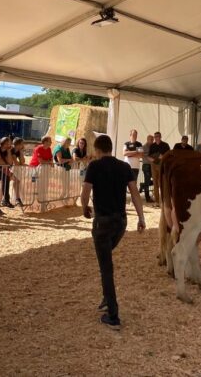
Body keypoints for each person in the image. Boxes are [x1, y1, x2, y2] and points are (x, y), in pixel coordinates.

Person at [80, 134, 146, 330]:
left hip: (102, 223)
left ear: (98, 149)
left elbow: (85, 192)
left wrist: (85, 208)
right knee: (107, 259)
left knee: (106, 268)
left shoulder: (94, 166)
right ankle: (107, 297)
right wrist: (141, 218)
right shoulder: (124, 167)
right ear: (111, 148)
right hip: (121, 223)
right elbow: (135, 193)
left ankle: (113, 315)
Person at [147, 132, 170, 207]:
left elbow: (169, 155)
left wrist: (162, 156)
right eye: (155, 136)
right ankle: (157, 201)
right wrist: (152, 159)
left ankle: (164, 201)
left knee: (162, 183)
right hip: (154, 165)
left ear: (160, 137)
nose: (157, 137)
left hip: (162, 165)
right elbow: (148, 156)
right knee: (155, 184)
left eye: (158, 136)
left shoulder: (165, 145)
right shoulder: (152, 146)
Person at [7, 137, 26, 207]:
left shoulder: (17, 151)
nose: (23, 145)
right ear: (18, 144)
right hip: (7, 168)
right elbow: (17, 163)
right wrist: (21, 163)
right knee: (5, 185)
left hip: (11, 169)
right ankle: (15, 199)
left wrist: (21, 151)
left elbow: (22, 161)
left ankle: (17, 198)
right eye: (22, 144)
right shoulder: (12, 150)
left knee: (16, 182)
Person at [139, 134, 154, 203]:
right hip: (146, 166)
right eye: (151, 139)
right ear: (147, 139)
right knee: (147, 182)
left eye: (152, 139)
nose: (152, 141)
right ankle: (147, 198)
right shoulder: (143, 146)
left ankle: (142, 185)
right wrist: (146, 156)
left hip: (153, 166)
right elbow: (139, 153)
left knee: (155, 181)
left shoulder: (153, 147)